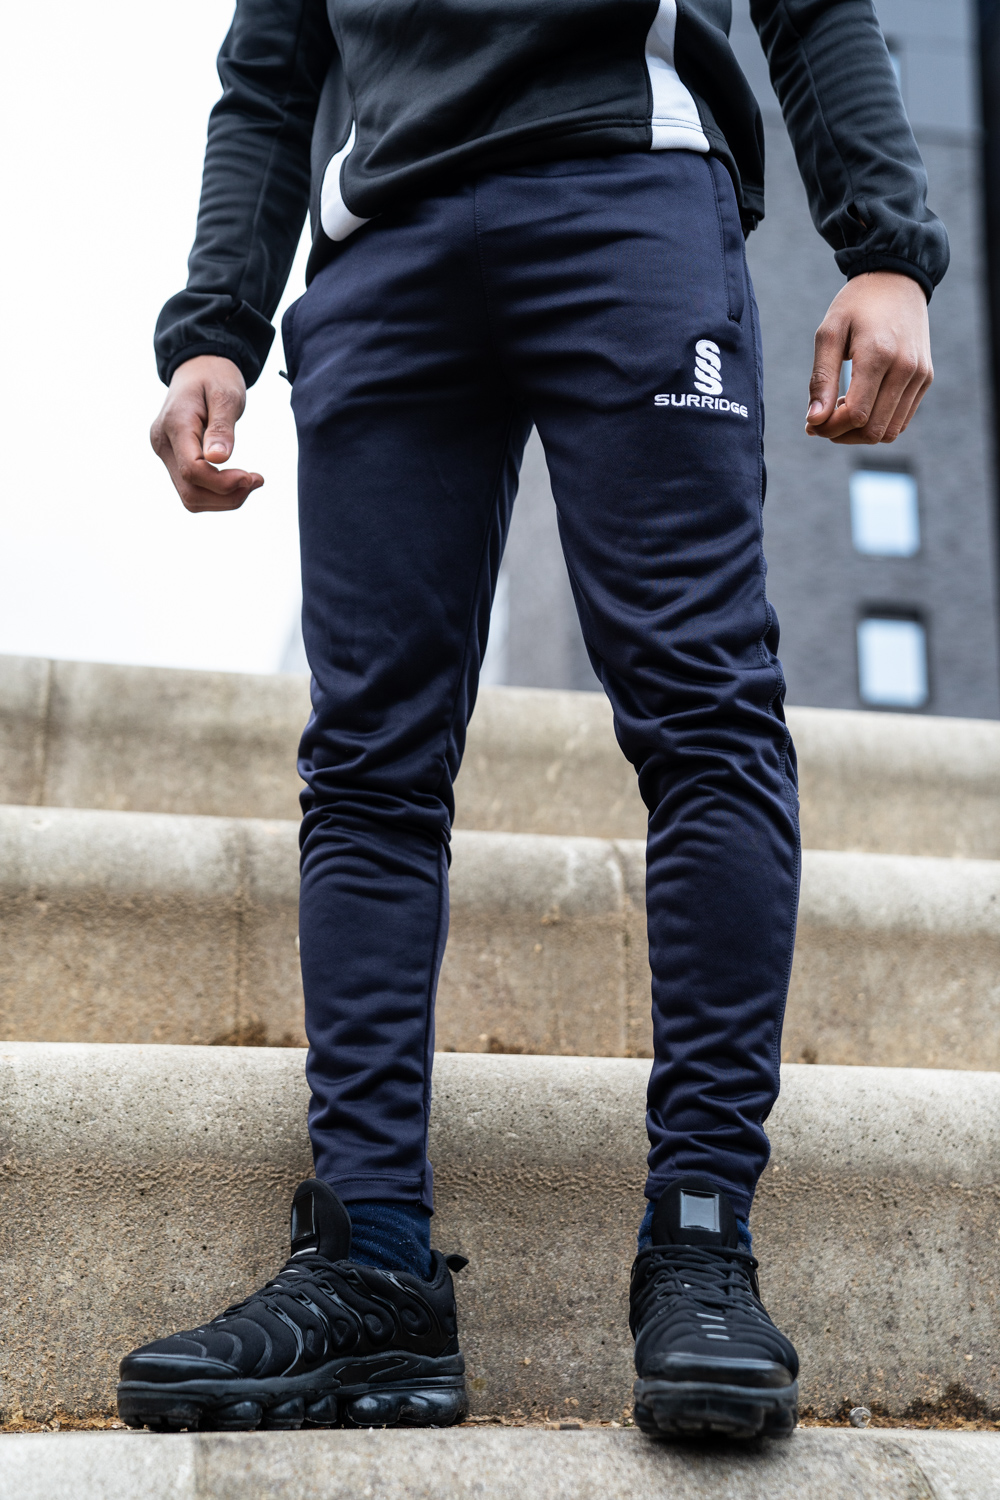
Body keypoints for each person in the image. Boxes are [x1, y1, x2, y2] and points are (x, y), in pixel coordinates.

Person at [117, 0, 945, 1441]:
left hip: (625, 183)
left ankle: (701, 1245)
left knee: (703, 712)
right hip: (381, 251)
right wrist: (216, 324)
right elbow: (269, 68)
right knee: (365, 765)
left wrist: (883, 245)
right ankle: (373, 1267)